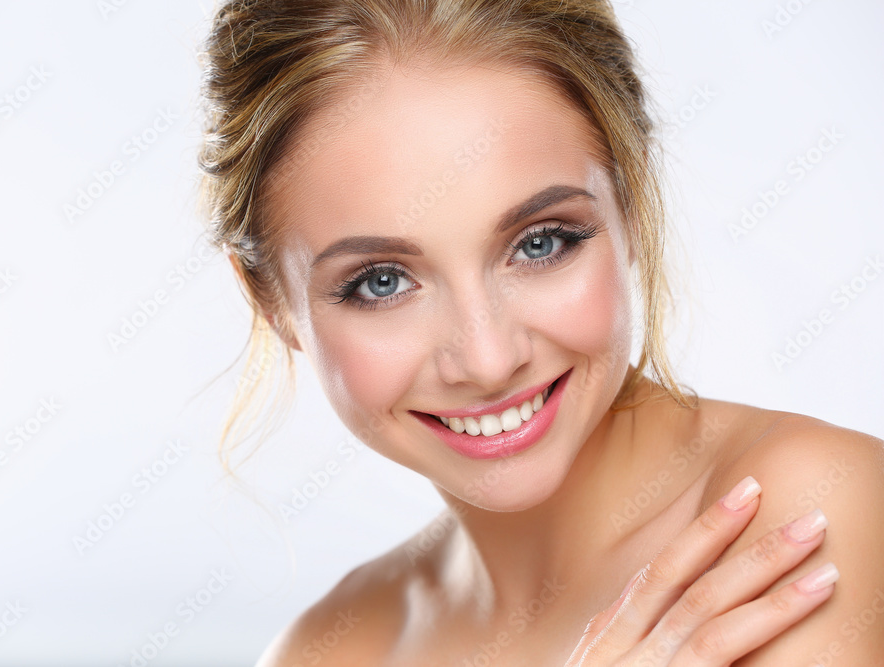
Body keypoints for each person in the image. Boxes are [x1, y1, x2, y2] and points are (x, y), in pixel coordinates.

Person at [197, 0, 884, 663]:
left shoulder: (803, 512)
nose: (489, 358)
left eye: (541, 243)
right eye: (381, 281)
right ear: (272, 301)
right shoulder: (333, 649)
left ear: (633, 203)